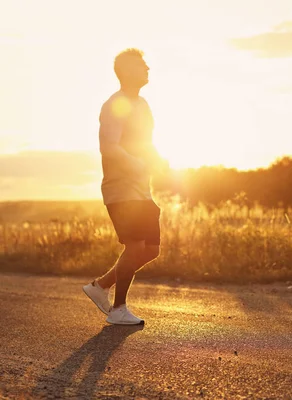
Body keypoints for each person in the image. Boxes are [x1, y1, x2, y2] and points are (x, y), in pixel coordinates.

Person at [83, 48, 167, 325]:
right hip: (121, 188)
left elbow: (146, 142)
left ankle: (100, 286)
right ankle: (118, 309)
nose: (148, 69)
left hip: (142, 188)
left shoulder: (142, 105)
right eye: (142, 65)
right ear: (127, 71)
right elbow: (108, 147)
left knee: (151, 248)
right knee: (135, 245)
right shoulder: (115, 104)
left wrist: (159, 162)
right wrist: (137, 164)